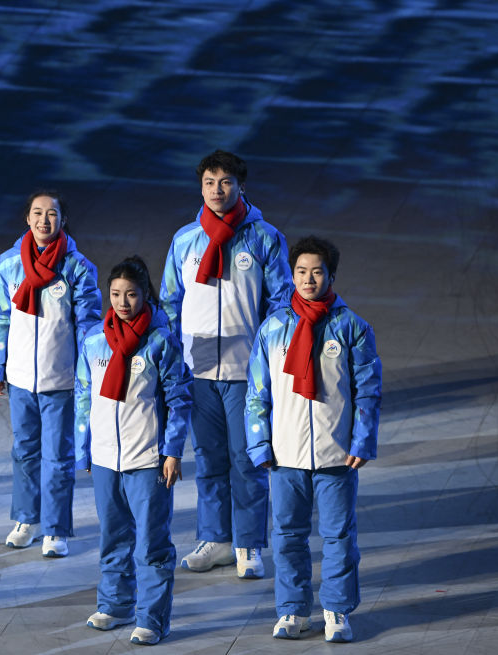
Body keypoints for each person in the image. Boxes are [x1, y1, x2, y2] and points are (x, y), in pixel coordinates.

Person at [160, 150, 292, 578]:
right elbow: (169, 302)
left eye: (225, 182)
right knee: (209, 457)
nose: (217, 190)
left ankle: (248, 543)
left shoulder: (264, 238)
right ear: (200, 188)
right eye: (209, 182)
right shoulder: (185, 240)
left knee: (246, 457)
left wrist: (269, 361)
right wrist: (172, 359)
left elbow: (281, 304)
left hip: (245, 370)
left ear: (241, 186)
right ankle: (215, 539)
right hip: (197, 370)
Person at [245, 236, 381, 642]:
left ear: (331, 276)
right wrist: (259, 444)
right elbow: (257, 393)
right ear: (292, 275)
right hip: (285, 455)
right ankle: (293, 610)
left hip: (336, 455)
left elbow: (368, 391)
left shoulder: (352, 328)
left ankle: (336, 610)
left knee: (339, 537)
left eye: (317, 272)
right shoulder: (273, 328)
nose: (308, 279)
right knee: (288, 536)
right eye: (301, 271)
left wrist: (362, 441)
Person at [75, 256, 193, 646]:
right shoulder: (94, 339)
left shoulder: (160, 341)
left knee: (151, 543)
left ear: (145, 295)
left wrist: (172, 451)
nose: (122, 302)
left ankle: (152, 618)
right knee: (113, 537)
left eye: (130, 294)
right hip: (105, 458)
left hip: (147, 460)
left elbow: (179, 400)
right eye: (115, 294)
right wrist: (85, 448)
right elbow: (84, 396)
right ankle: (116, 605)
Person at [0, 190, 102, 557]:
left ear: (62, 220)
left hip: (60, 380)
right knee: (24, 451)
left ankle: (55, 528)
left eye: (51, 214)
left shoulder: (78, 268)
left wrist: (86, 375)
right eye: (37, 213)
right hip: (20, 378)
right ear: (27, 218)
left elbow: (88, 327)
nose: (43, 220)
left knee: (58, 457)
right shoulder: (7, 264)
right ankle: (27, 519)